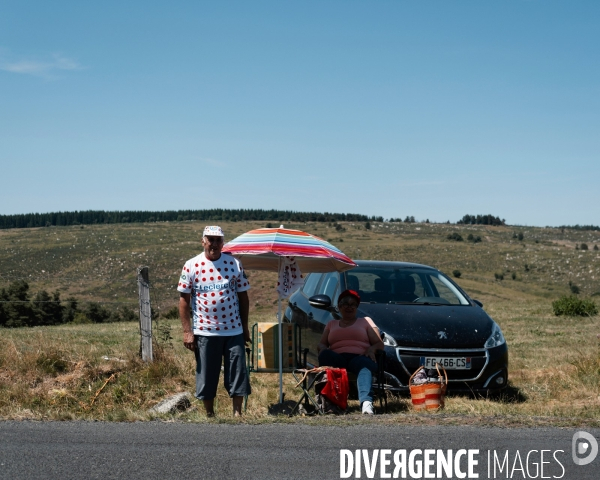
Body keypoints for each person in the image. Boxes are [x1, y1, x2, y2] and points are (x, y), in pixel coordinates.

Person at [177, 225, 251, 417]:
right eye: (211, 239)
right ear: (203, 241)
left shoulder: (234, 264)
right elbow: (184, 300)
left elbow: (243, 297)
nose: (215, 244)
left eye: (218, 240)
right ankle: (210, 414)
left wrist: (244, 326)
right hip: (205, 331)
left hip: (233, 330)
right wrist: (187, 331)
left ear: (223, 242)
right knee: (207, 374)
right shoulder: (191, 265)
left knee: (238, 372)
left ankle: (237, 414)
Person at [317, 289, 384, 415]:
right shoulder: (331, 324)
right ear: (339, 307)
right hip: (337, 357)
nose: (349, 307)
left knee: (364, 365)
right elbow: (322, 343)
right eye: (345, 304)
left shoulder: (365, 321)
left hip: (359, 357)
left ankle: (366, 403)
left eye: (353, 304)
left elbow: (379, 343)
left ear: (357, 307)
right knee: (325, 355)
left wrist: (371, 349)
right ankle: (332, 401)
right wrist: (323, 348)